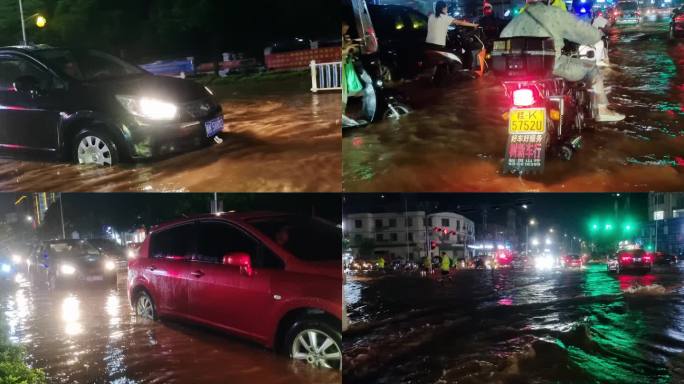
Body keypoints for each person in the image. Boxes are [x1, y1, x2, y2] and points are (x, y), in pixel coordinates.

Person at [500, 0, 625, 122]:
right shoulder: (554, 14)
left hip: (518, 73)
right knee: (591, 67)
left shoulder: (515, 21)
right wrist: (598, 33)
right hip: (554, 66)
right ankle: (601, 111)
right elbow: (588, 34)